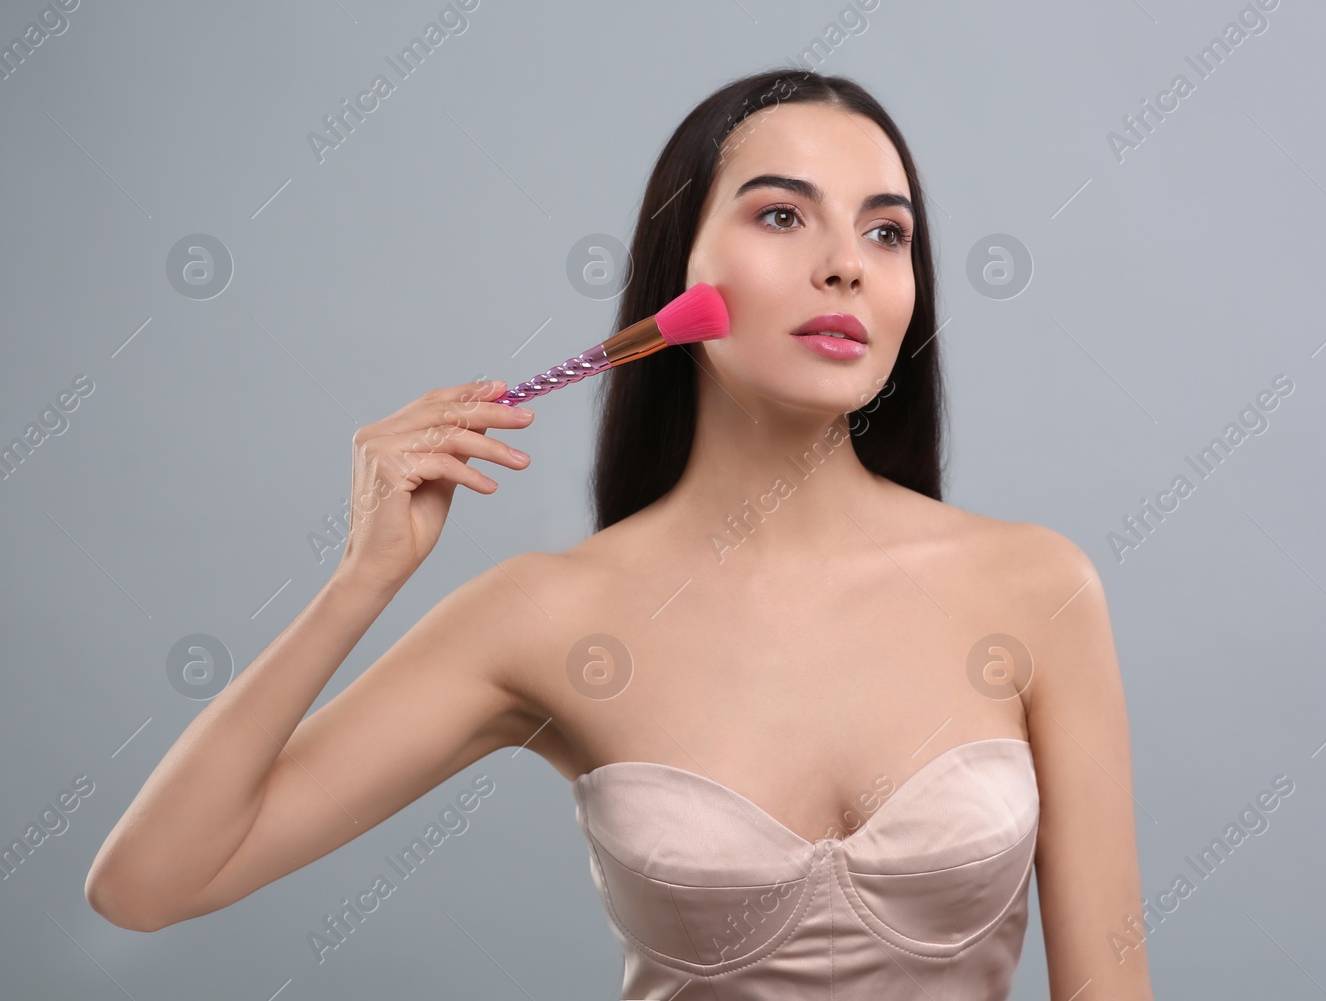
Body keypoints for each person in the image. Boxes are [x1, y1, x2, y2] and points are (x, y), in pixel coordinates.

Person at [85, 69, 1154, 1000]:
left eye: (886, 230)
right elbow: (150, 881)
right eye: (783, 215)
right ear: (675, 270)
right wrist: (361, 580)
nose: (846, 264)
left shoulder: (1033, 586)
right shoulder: (548, 615)